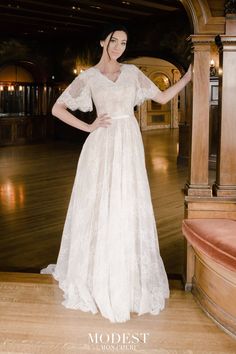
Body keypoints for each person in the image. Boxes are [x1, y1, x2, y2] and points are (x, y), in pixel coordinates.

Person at [41, 24, 192, 323]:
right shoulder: (88, 77)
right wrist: (89, 127)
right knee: (98, 204)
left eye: (124, 42)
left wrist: (187, 78)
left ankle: (126, 275)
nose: (119, 47)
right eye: (114, 41)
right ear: (102, 41)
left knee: (125, 202)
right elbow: (57, 108)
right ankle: (94, 273)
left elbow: (161, 98)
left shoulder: (133, 73)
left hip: (129, 141)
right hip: (100, 144)